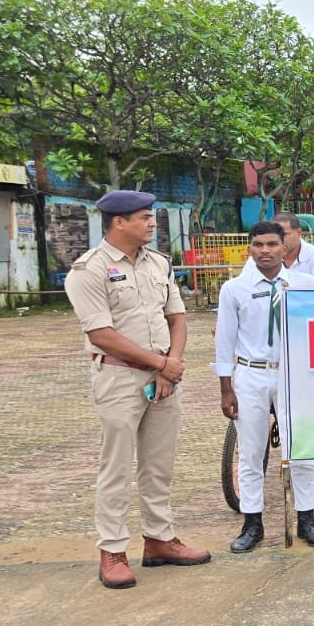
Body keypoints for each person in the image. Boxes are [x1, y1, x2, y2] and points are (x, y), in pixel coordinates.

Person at [64, 190, 210, 589]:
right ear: (119, 222)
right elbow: (102, 335)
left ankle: (160, 539)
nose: (152, 223)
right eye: (144, 217)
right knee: (116, 466)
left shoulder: (158, 263)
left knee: (159, 464)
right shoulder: (89, 270)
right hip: (119, 377)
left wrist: (169, 367)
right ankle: (112, 550)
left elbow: (176, 318)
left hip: (163, 378)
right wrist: (160, 364)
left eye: (151, 216)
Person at [216, 221, 314, 553]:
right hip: (251, 375)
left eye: (271, 244)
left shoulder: (304, 284)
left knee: (301, 449)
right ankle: (252, 523)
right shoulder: (234, 289)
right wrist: (226, 388)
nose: (264, 251)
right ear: (249, 249)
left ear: (285, 247)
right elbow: (225, 341)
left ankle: (307, 519)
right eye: (258, 245)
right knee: (251, 453)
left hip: (294, 375)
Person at [243, 212, 314, 285]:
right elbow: (243, 285)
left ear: (299, 233)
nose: (279, 239)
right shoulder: (261, 257)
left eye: (284, 234)